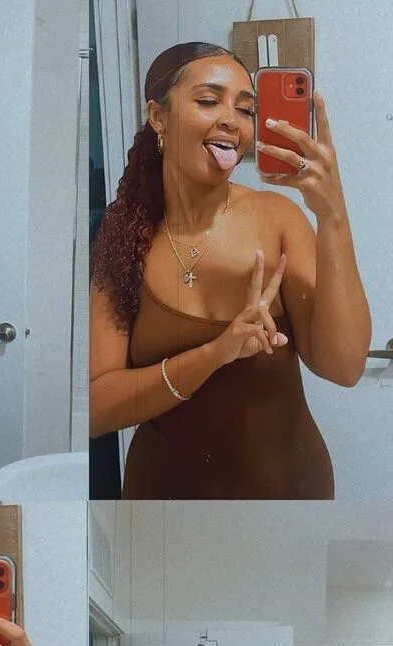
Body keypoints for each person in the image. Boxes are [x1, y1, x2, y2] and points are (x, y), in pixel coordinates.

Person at [90, 43, 371, 499]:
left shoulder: (278, 219)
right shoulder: (123, 238)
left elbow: (345, 366)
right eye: (208, 100)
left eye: (245, 109)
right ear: (158, 116)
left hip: (288, 498)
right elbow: (97, 407)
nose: (232, 121)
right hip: (164, 504)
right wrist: (214, 355)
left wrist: (332, 214)